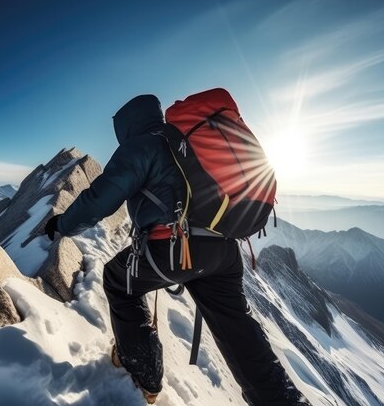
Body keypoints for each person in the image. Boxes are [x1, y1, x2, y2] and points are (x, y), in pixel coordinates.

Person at [43, 94, 308, 406]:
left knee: (118, 279)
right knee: (238, 329)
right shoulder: (180, 138)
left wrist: (61, 226)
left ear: (126, 126)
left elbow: (100, 200)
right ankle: (283, 400)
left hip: (176, 250)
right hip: (223, 250)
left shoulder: (140, 145)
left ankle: (145, 376)